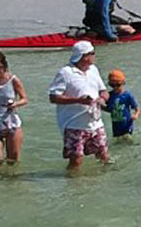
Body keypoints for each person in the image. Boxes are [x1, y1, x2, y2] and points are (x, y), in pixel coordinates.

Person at [47, 41, 111, 171]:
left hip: (96, 123)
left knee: (104, 156)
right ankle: (72, 185)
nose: (94, 56)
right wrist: (78, 100)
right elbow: (53, 97)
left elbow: (103, 91)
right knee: (76, 160)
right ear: (84, 56)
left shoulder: (94, 70)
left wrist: (101, 98)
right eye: (92, 53)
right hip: (74, 124)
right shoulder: (65, 73)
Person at [105, 69, 140, 140]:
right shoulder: (109, 95)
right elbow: (109, 109)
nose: (115, 87)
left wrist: (135, 115)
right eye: (112, 85)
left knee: (127, 139)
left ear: (123, 83)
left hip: (127, 124)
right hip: (115, 125)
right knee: (118, 141)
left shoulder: (127, 95)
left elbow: (137, 108)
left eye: (118, 85)